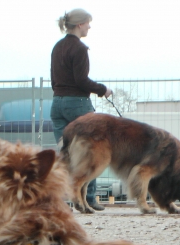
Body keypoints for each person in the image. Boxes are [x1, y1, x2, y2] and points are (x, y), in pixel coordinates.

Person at [50, 8, 112, 211]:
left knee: (65, 154)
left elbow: (54, 79)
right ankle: (89, 198)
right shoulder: (80, 49)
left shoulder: (57, 47)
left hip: (57, 104)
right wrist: (103, 90)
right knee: (90, 152)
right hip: (78, 105)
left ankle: (61, 199)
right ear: (79, 25)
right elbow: (81, 80)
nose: (89, 27)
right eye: (87, 23)